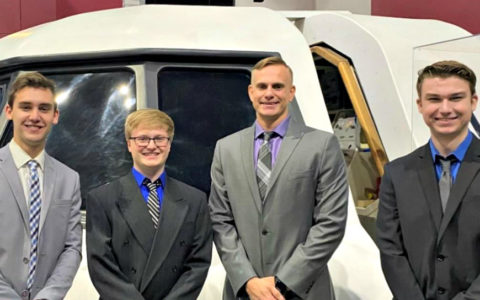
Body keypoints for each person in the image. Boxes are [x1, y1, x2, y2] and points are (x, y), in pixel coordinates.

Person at [209, 56, 348, 300]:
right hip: (244, 292)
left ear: (291, 92)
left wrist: (283, 282)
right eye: (262, 87)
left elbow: (331, 222)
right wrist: (248, 280)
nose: (269, 93)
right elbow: (220, 221)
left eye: (278, 86)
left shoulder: (322, 145)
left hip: (302, 291)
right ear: (251, 92)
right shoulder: (225, 148)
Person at [377, 60, 480, 299]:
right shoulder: (397, 172)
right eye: (434, 99)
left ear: (472, 102)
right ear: (420, 105)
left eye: (455, 98)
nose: (445, 109)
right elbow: (390, 249)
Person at [86, 108, 212, 300]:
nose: (151, 146)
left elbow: (198, 264)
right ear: (129, 144)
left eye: (159, 138)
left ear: (169, 144)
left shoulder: (195, 200)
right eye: (142, 138)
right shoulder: (102, 199)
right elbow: (101, 266)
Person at [0, 72, 82, 300]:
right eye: (26, 107)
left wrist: (49, 296)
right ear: (9, 111)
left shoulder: (69, 178)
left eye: (44, 108)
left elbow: (72, 248)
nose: (35, 116)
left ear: (55, 115)